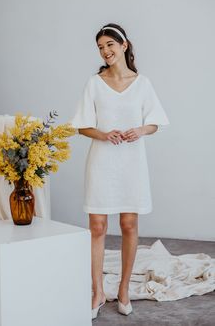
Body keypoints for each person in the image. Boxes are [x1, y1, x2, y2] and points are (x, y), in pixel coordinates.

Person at [70, 23, 170, 319]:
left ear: (124, 45)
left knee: (128, 224)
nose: (105, 51)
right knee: (97, 227)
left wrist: (139, 130)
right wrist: (103, 134)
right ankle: (97, 291)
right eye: (100, 47)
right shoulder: (94, 83)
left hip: (131, 162)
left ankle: (124, 289)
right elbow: (81, 124)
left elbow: (154, 122)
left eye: (109, 45)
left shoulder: (143, 84)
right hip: (102, 160)